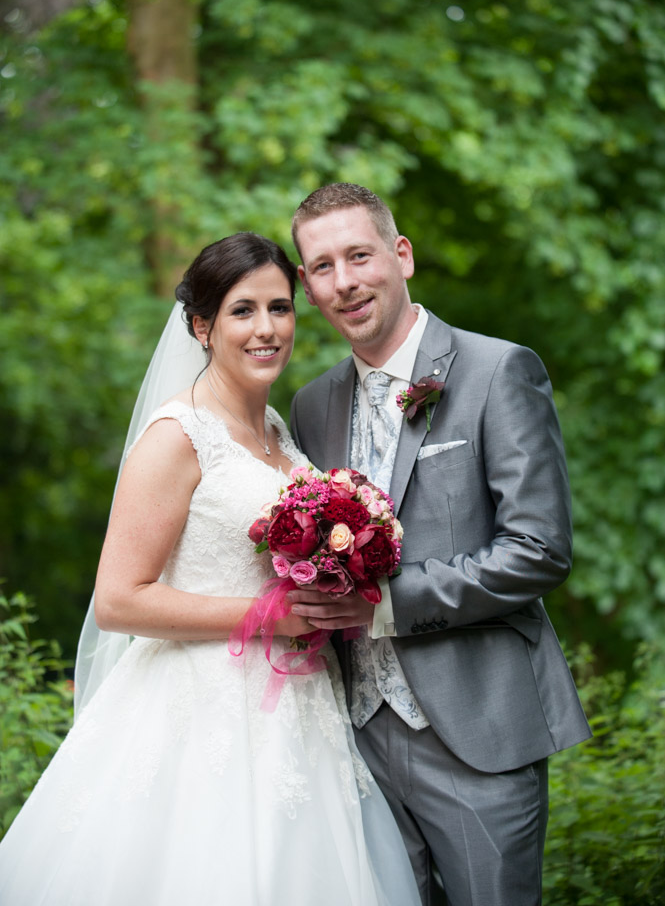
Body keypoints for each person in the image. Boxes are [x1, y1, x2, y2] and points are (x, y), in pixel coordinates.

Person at [0, 232, 421, 906]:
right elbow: (118, 600)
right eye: (242, 311)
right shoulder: (178, 436)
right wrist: (270, 617)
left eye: (279, 308)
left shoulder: (279, 432)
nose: (266, 329)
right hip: (199, 711)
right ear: (202, 327)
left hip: (301, 706)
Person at [287, 184, 592, 906]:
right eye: (323, 267)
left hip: (477, 732)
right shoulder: (310, 405)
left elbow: (537, 549)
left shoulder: (498, 370)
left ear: (401, 255)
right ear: (307, 284)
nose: (344, 282)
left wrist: (385, 605)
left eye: (359, 256)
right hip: (353, 741)